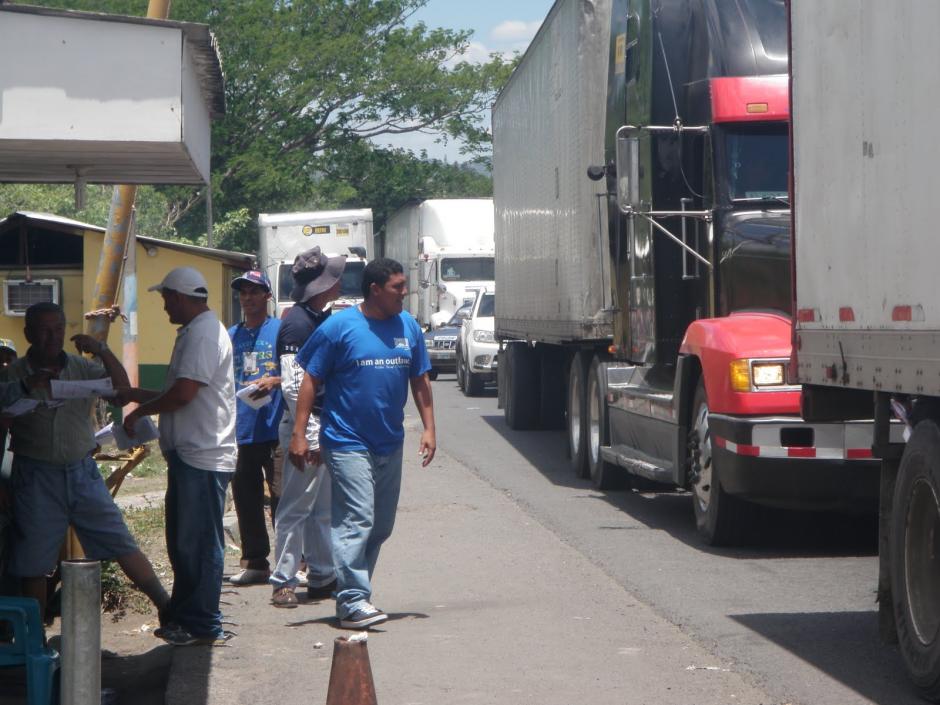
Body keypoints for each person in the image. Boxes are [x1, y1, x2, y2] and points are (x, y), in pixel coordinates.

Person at [289, 257, 436, 629]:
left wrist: (429, 429)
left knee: (380, 525)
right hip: (345, 440)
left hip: (389, 441)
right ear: (375, 289)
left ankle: (356, 595)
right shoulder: (340, 327)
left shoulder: (408, 327)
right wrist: (299, 433)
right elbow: (310, 379)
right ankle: (352, 598)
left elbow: (420, 380)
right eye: (398, 287)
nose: (406, 293)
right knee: (357, 518)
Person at [0, 302, 169, 619]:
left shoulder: (81, 368)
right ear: (28, 334)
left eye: (58, 329)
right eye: (44, 330)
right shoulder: (14, 376)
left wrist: (102, 351)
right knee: (33, 562)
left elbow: (121, 391)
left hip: (81, 472)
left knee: (119, 541)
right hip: (35, 477)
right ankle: (34, 638)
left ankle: (166, 606)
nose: (53, 337)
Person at [121, 267, 236, 646]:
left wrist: (140, 410)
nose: (165, 304)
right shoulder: (197, 332)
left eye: (167, 297)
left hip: (202, 454)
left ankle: (202, 622)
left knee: (199, 544)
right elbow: (181, 390)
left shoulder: (203, 334)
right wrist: (138, 395)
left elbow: (184, 394)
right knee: (186, 542)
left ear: (182, 296)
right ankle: (189, 618)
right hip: (192, 453)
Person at [269, 247, 345, 608]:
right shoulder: (297, 324)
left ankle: (321, 575)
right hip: (308, 426)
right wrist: (306, 433)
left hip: (319, 425)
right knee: (297, 506)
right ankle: (283, 580)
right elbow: (294, 386)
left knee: (321, 509)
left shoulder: (316, 318)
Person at [227, 270, 282, 586]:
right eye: (243, 292)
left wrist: (273, 381)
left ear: (267, 296)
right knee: (246, 498)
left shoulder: (280, 330)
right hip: (242, 428)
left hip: (275, 427)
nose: (247, 298)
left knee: (282, 496)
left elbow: (299, 373)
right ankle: (256, 562)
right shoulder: (231, 334)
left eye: (254, 291)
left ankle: (292, 561)